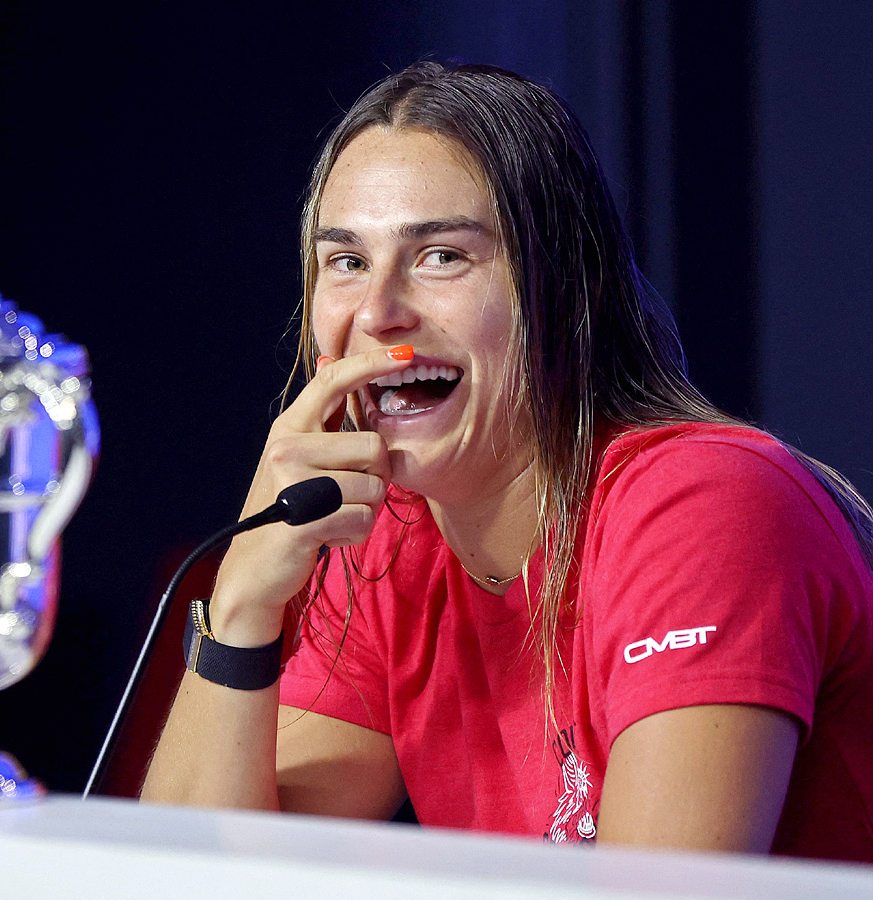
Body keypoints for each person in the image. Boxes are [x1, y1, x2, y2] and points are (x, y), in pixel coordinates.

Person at [140, 62, 873, 861]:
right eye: (346, 262)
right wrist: (244, 604)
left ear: (567, 288)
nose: (379, 312)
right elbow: (198, 876)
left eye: (443, 255)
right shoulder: (388, 536)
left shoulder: (707, 505)